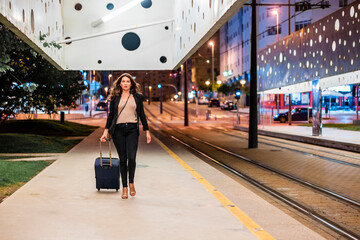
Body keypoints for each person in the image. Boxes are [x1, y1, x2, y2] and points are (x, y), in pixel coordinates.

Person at [100, 73, 151, 199]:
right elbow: (110, 116)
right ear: (120, 84)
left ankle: (131, 183)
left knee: (132, 158)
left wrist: (147, 131)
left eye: (128, 81)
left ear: (131, 84)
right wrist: (105, 131)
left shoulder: (137, 97)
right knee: (123, 160)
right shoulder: (115, 98)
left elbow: (142, 115)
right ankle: (124, 188)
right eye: (123, 81)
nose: (126, 83)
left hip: (133, 129)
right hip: (118, 131)